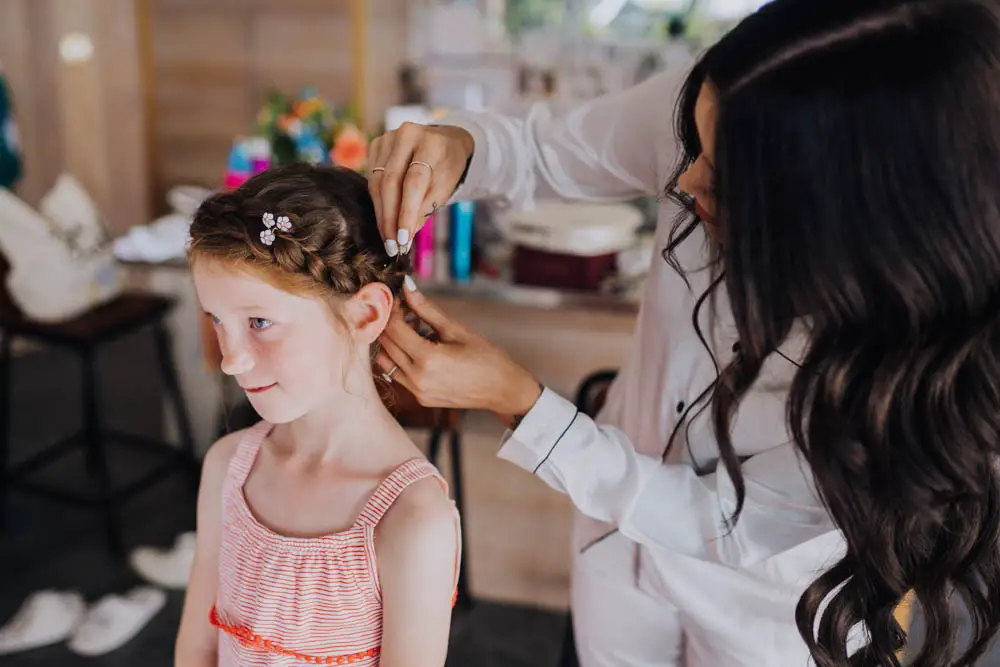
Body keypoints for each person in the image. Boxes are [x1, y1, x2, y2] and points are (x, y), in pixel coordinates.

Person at [368, 0, 1000, 665]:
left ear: (846, 221)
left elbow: (712, 519)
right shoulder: (731, 104)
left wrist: (519, 402)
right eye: (691, 147)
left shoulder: (923, 376)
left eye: (724, 183)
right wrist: (458, 147)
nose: (682, 180)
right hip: (613, 559)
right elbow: (543, 151)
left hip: (763, 614)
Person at [174, 164, 461, 667]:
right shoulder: (226, 467)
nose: (230, 358)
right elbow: (198, 647)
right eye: (217, 320)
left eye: (260, 322)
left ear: (365, 315)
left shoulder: (412, 520)